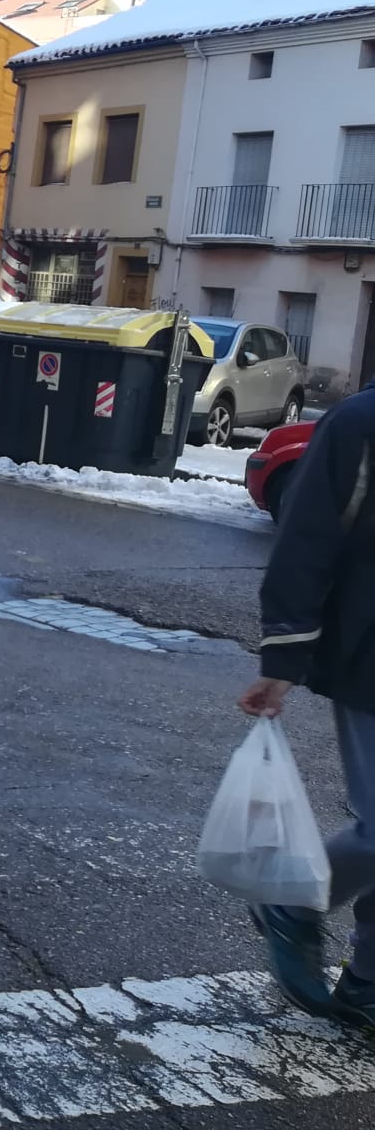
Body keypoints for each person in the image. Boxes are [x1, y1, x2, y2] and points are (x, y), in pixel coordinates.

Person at [239, 384, 375, 1030]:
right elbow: (306, 543)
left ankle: (368, 983)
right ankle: (296, 900)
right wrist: (283, 663)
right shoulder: (359, 424)